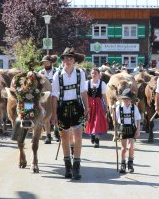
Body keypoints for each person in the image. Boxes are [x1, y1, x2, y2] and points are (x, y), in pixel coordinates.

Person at [51, 47, 89, 180]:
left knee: (78, 137)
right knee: (65, 138)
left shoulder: (80, 73)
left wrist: (87, 108)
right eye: (65, 58)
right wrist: (54, 114)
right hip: (63, 108)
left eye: (70, 58)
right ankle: (67, 166)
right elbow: (54, 96)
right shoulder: (57, 75)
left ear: (74, 60)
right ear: (63, 60)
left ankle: (76, 166)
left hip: (77, 106)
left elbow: (83, 91)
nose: (67, 61)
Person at [115, 89, 141, 173]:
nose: (126, 101)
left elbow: (138, 119)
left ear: (131, 100)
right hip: (123, 128)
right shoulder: (119, 108)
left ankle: (130, 164)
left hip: (132, 128)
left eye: (128, 99)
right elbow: (116, 120)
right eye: (124, 99)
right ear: (122, 99)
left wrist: (138, 130)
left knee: (131, 147)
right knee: (123, 148)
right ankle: (123, 164)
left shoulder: (134, 107)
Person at [85, 68, 108, 148]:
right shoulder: (87, 83)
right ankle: (92, 135)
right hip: (89, 104)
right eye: (92, 73)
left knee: (97, 121)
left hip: (98, 104)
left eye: (95, 73)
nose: (94, 75)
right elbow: (85, 95)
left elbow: (104, 96)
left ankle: (97, 140)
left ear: (99, 75)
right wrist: (85, 106)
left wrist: (106, 105)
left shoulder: (102, 84)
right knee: (90, 120)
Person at [39, 55, 60, 144]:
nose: (46, 63)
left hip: (55, 96)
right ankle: (48, 135)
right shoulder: (40, 73)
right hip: (45, 97)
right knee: (46, 116)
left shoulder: (57, 71)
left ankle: (56, 131)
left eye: (47, 62)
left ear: (51, 62)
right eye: (44, 62)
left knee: (56, 114)